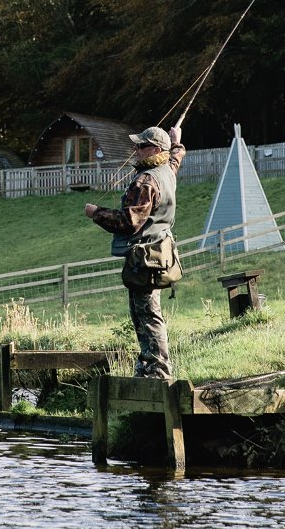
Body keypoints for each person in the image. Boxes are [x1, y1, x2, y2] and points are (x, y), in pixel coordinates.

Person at [84, 124, 185, 379]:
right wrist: (177, 142)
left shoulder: (146, 180)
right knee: (142, 312)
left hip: (146, 258)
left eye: (141, 146)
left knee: (147, 314)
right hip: (158, 254)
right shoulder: (166, 171)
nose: (135, 150)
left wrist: (96, 213)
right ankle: (146, 365)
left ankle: (159, 370)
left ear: (154, 149)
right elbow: (175, 160)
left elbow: (129, 222)